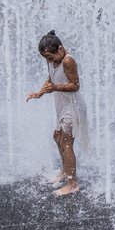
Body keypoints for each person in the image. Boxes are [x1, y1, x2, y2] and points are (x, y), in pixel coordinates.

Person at [26, 31, 89, 196]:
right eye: (46, 59)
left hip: (74, 106)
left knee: (66, 143)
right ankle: (65, 171)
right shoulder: (53, 59)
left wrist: (54, 88)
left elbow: (75, 85)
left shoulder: (68, 60)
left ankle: (72, 183)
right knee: (57, 137)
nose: (49, 61)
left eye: (51, 58)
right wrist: (40, 93)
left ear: (60, 48)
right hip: (62, 105)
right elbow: (51, 77)